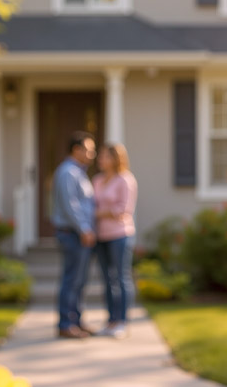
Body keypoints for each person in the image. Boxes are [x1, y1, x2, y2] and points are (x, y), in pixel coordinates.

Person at [51, 131, 98, 339]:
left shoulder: (79, 172)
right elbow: (71, 206)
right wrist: (84, 229)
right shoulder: (67, 173)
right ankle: (66, 323)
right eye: (89, 150)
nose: (93, 154)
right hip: (72, 234)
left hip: (79, 234)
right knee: (71, 279)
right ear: (76, 150)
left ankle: (76, 320)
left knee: (79, 280)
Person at [92, 143, 137, 339]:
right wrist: (103, 213)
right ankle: (111, 320)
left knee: (121, 278)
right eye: (100, 156)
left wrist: (98, 213)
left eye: (104, 156)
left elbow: (123, 211)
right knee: (107, 280)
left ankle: (122, 321)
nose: (100, 159)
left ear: (116, 158)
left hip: (120, 236)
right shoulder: (97, 180)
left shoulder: (125, 180)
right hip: (101, 236)